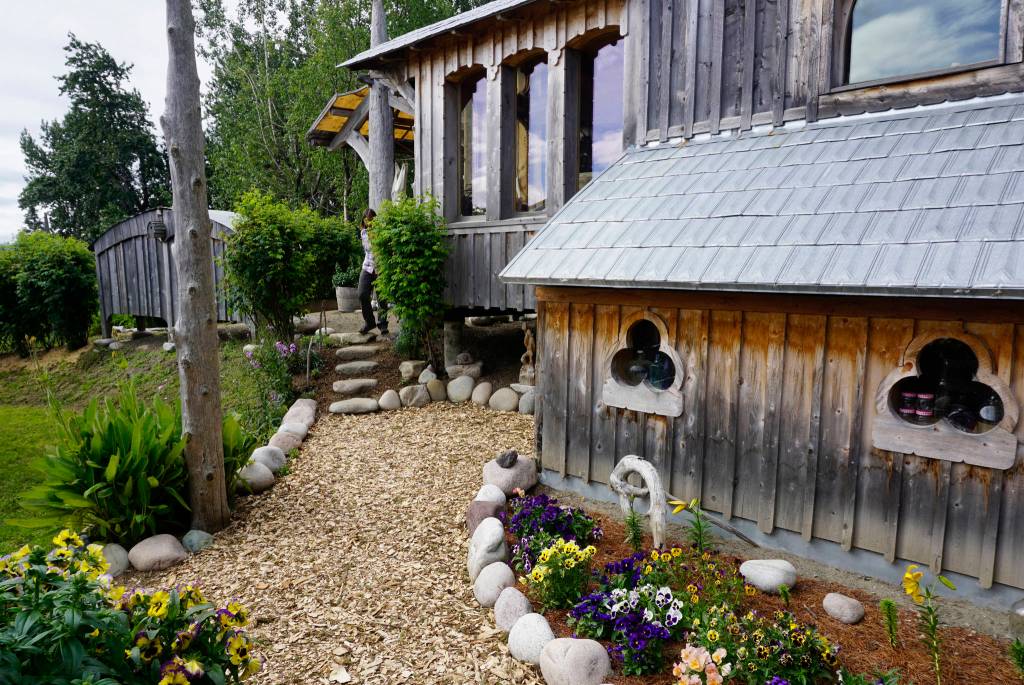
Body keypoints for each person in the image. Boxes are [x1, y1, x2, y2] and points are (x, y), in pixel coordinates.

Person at [357, 208, 389, 336]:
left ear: (374, 219)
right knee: (362, 294)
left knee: (382, 298)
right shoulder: (363, 233)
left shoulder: (381, 232)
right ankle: (369, 322)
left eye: (370, 219)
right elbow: (368, 250)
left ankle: (382, 325)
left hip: (381, 267)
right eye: (366, 219)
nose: (368, 221)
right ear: (364, 220)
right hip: (367, 267)